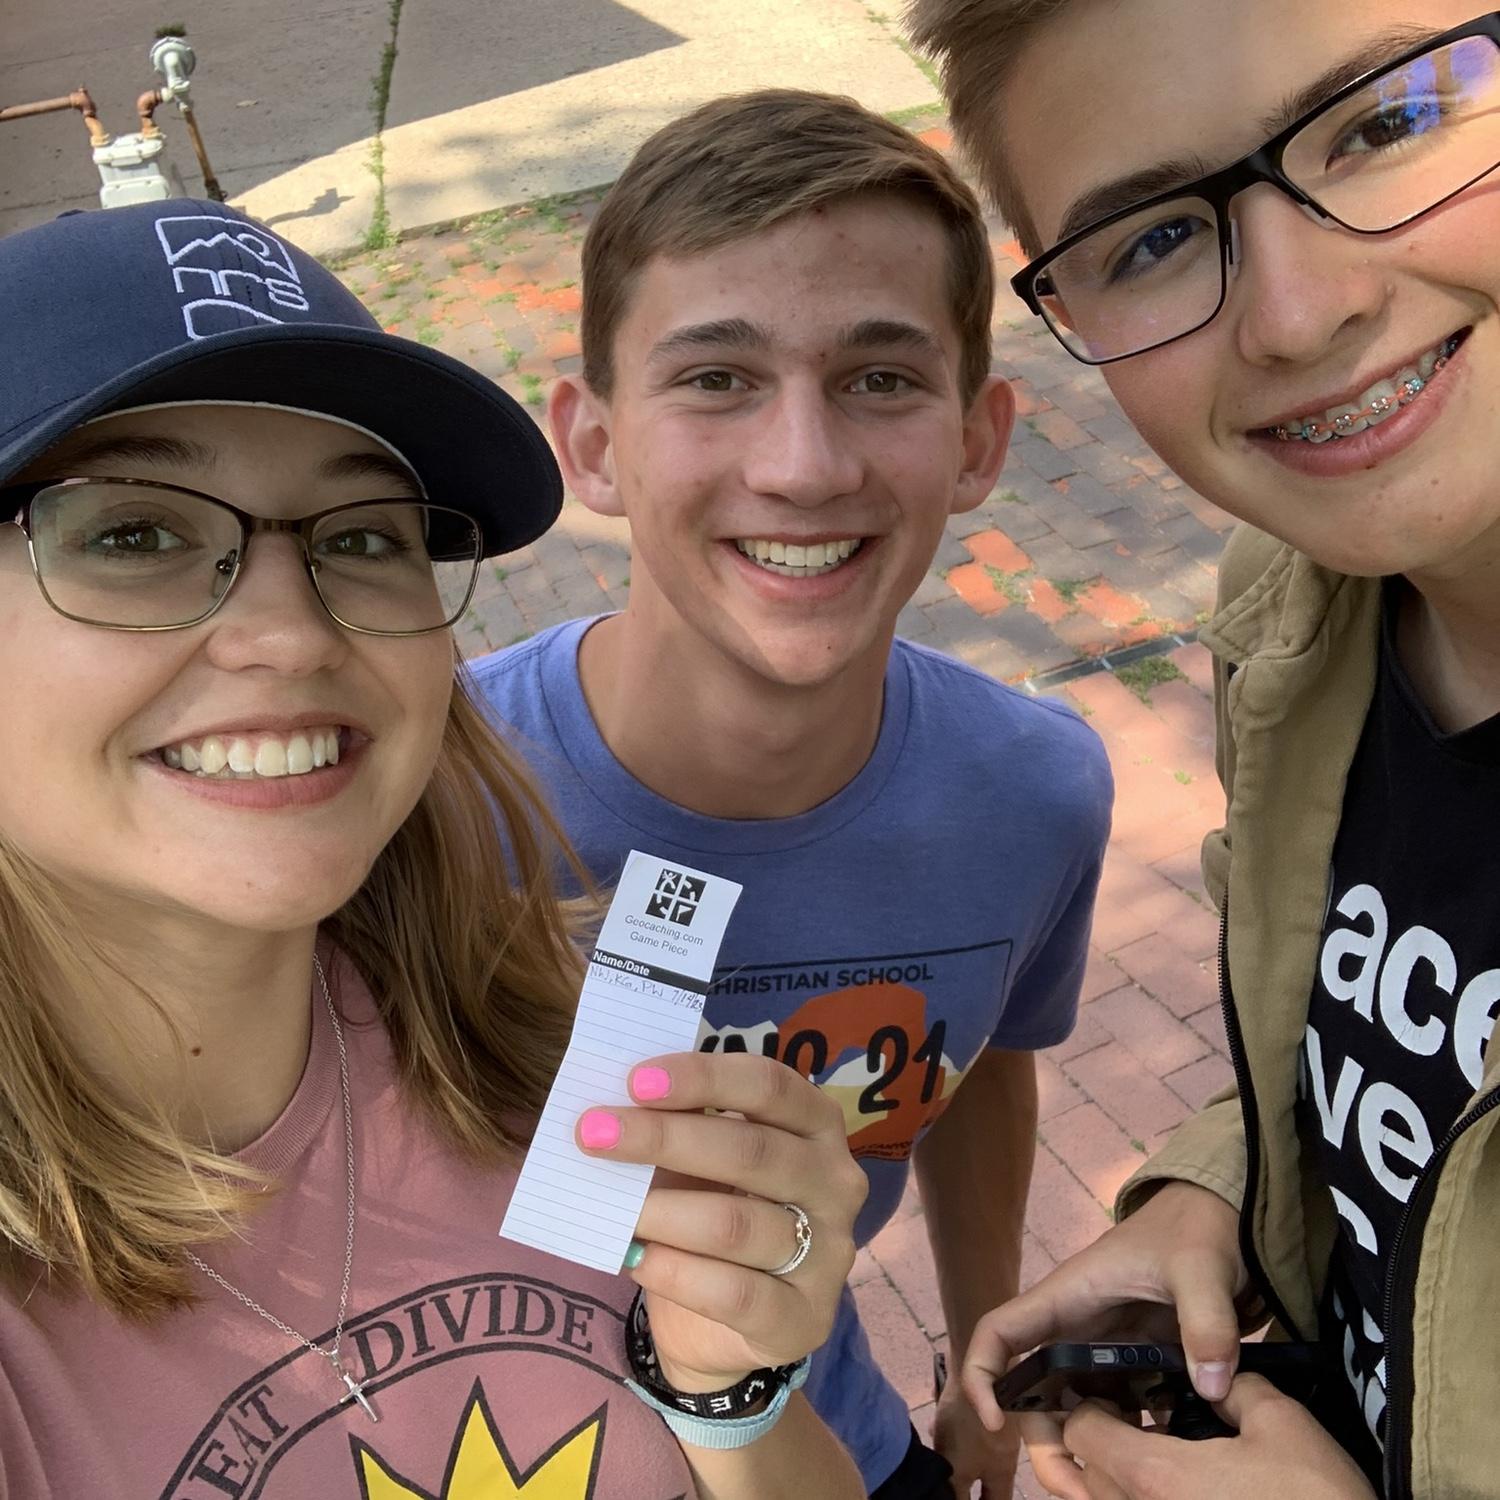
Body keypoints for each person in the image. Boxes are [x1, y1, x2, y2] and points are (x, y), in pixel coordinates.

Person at [0, 199, 872, 1498]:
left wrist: (727, 1391)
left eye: (362, 538)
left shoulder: (533, 1048)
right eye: (135, 533)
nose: (292, 634)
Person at [470, 90, 1114, 1499]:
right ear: (592, 445)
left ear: (978, 440)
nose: (804, 466)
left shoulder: (1032, 794)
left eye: (880, 379)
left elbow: (979, 1057)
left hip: (816, 1441)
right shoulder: (421, 801)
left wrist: (985, 1360)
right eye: (716, 378)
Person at [906, 1, 1500, 1496]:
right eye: (1157, 239)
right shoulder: (1299, 621)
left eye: (1386, 124)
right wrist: (1212, 1200)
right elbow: (1366, 1060)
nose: (1295, 314)